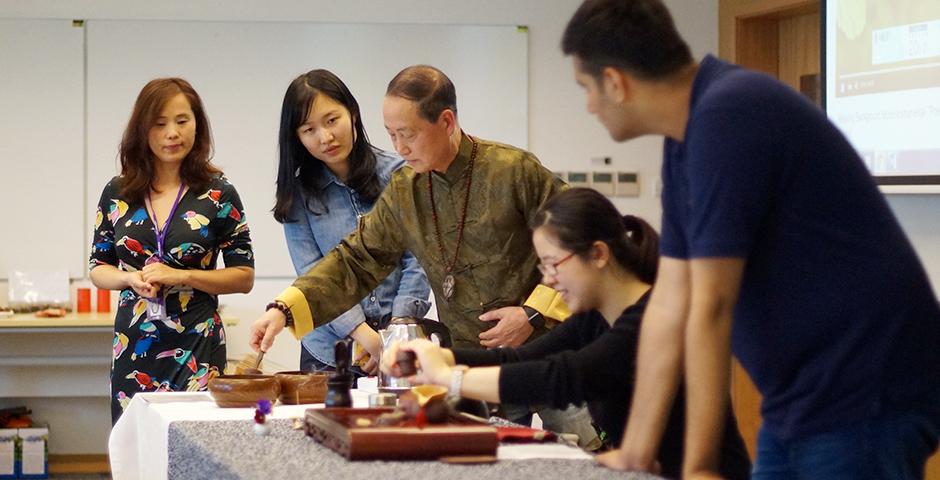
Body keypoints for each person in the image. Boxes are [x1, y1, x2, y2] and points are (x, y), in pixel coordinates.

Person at [561, 1, 940, 478]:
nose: (589, 106)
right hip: (799, 398)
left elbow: (711, 304)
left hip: (864, 391)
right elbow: (670, 303)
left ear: (615, 81)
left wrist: (700, 466)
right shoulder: (685, 139)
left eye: (585, 88)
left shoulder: (730, 113)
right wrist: (638, 451)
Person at [250, 65, 599, 447]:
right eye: (391, 135)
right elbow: (354, 260)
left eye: (409, 135)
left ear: (446, 121)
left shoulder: (513, 170)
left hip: (551, 350)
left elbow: (583, 235)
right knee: (483, 462)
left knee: (589, 459)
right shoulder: (406, 189)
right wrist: (282, 310)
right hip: (473, 364)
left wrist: (532, 312)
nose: (399, 148)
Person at [381, 188, 752, 479]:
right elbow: (523, 357)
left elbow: (565, 376)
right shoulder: (595, 316)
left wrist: (450, 378)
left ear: (599, 254)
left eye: (552, 264)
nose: (548, 279)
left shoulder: (649, 319)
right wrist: (442, 356)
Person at [89, 78, 255, 424]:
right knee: (135, 446)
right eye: (160, 124)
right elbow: (98, 267)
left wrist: (181, 276)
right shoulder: (117, 192)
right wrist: (129, 278)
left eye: (182, 121)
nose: (172, 133)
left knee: (193, 445)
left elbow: (244, 276)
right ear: (142, 130)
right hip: (134, 341)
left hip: (197, 341)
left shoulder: (218, 193)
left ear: (198, 125)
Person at [273, 69, 431, 374]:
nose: (325, 137)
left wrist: (396, 331)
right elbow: (313, 274)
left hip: (399, 342)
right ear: (297, 138)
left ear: (353, 113)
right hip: (329, 352)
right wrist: (362, 335)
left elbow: (419, 259)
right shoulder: (299, 195)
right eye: (308, 130)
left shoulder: (400, 174)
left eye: (332, 120)